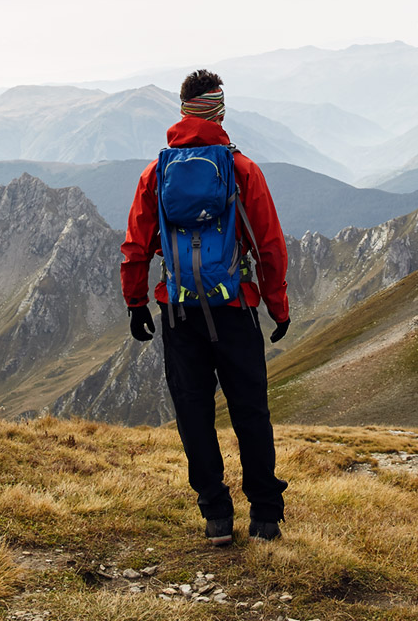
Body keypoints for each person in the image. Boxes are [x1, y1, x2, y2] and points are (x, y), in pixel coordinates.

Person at [119, 69, 292, 546]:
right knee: (250, 412)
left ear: (182, 111)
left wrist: (136, 302)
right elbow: (269, 247)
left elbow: (136, 245)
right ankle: (265, 516)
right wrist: (278, 307)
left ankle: (216, 515)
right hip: (234, 307)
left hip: (179, 312)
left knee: (194, 412)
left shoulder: (156, 173)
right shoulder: (241, 171)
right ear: (219, 111)